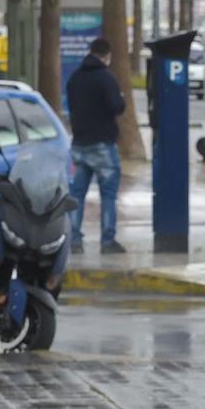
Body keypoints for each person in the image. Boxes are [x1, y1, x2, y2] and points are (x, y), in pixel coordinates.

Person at [66, 37, 127, 254]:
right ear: (106, 55)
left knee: (76, 195)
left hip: (79, 145)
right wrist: (121, 99)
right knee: (108, 195)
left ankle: (74, 240)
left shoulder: (75, 78)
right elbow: (116, 107)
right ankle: (107, 241)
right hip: (102, 145)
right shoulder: (106, 78)